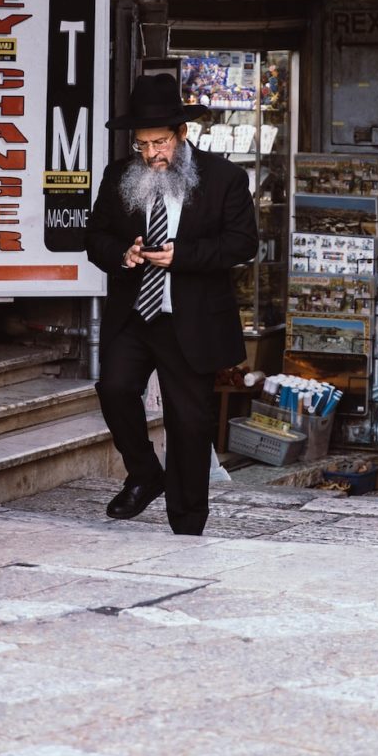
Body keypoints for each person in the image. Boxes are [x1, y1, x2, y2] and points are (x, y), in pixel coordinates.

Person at [85, 73, 258, 535]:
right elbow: (95, 237)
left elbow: (243, 244)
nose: (151, 154)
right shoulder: (118, 175)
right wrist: (121, 254)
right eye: (142, 144)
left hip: (191, 320)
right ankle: (144, 474)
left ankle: (187, 524)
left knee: (188, 422)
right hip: (135, 315)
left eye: (160, 142)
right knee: (115, 389)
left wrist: (182, 257)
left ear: (182, 135)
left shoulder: (224, 178)